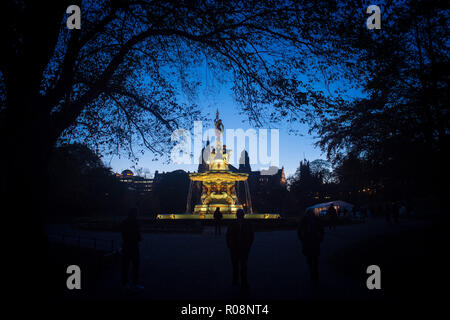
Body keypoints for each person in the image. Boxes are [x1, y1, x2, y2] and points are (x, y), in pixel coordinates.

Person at [226, 209, 254, 289]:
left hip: (244, 249)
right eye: (239, 214)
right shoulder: (232, 224)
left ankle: (243, 282)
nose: (239, 216)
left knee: (243, 266)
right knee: (235, 266)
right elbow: (228, 235)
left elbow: (251, 236)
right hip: (234, 248)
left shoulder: (247, 224)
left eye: (240, 214)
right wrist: (229, 245)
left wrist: (248, 246)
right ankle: (235, 281)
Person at [298, 210, 324, 283]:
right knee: (315, 258)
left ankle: (312, 272)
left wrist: (302, 239)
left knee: (310, 258)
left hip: (308, 241)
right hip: (314, 241)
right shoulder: (316, 220)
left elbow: (299, 231)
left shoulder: (304, 220)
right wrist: (320, 239)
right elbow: (321, 230)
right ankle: (315, 274)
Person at [121, 208, 143, 290]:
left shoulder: (124, 222)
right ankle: (135, 283)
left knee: (125, 266)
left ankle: (125, 284)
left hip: (126, 246)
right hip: (134, 246)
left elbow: (122, 232)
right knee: (135, 266)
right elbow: (139, 236)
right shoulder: (135, 223)